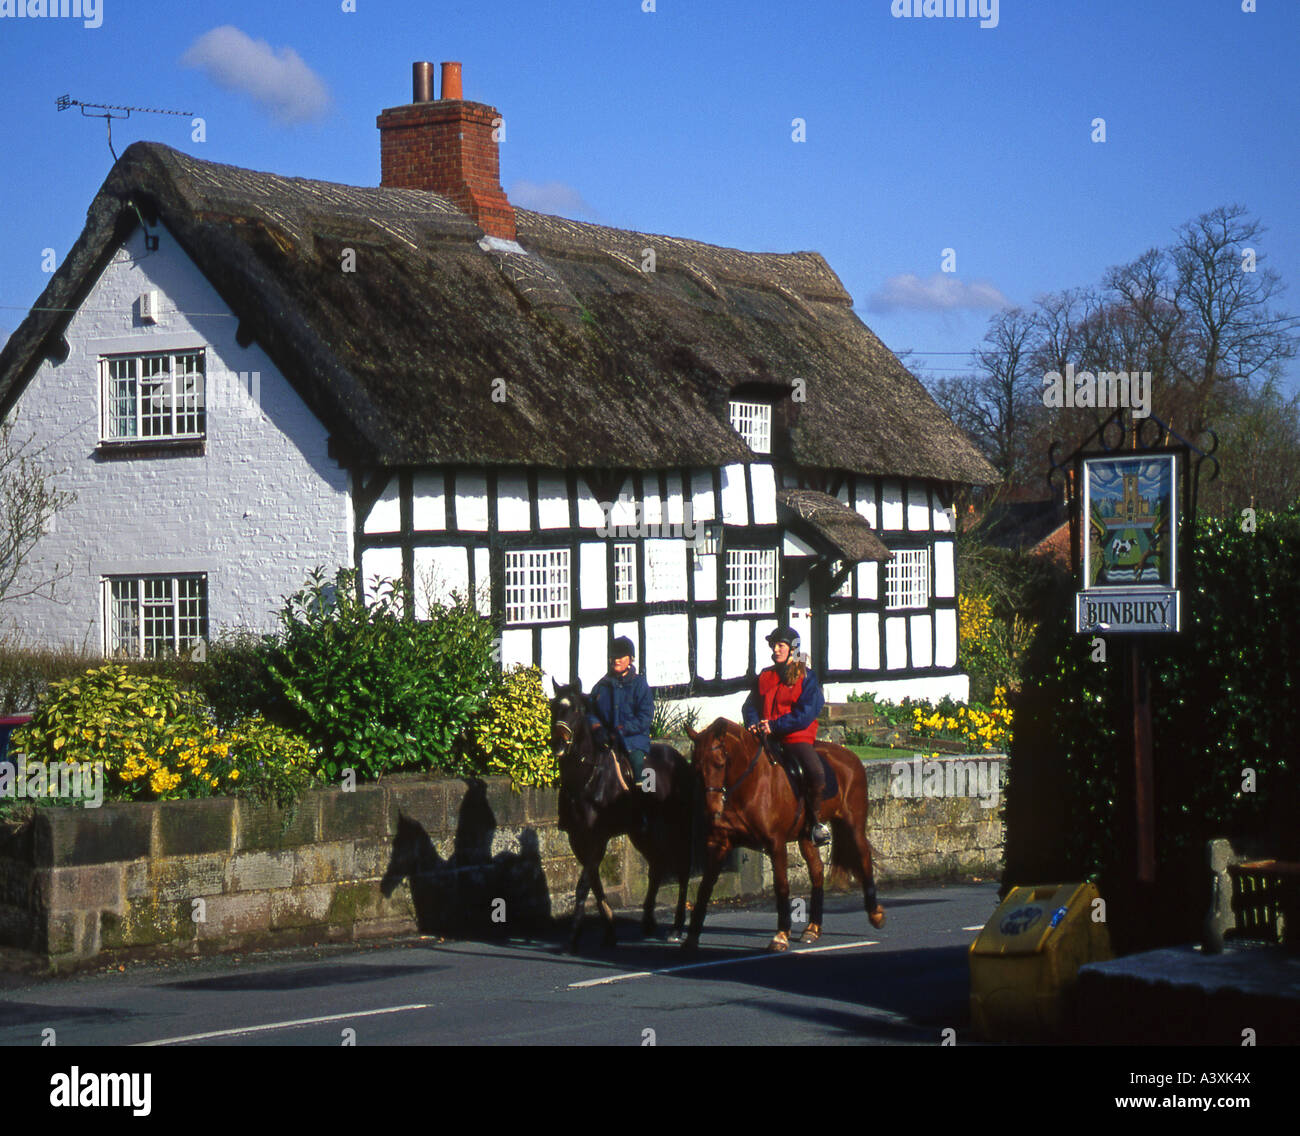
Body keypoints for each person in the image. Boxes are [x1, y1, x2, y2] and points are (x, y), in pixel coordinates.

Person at [742, 626, 831, 845]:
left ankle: (815, 822)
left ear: (793, 649)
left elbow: (806, 712)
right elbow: (750, 705)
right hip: (766, 736)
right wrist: (753, 723)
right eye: (774, 645)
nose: (775, 649)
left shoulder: (806, 676)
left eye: (780, 645)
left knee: (815, 771)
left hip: (795, 736)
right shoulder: (765, 675)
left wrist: (776, 725)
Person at [589, 636, 654, 796]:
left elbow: (645, 717)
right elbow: (590, 711)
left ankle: (648, 805)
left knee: (642, 769)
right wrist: (596, 726)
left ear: (630, 659)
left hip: (634, 740)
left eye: (620, 657)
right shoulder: (601, 686)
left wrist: (623, 728)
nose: (616, 660)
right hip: (606, 741)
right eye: (613, 657)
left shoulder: (640, 685)